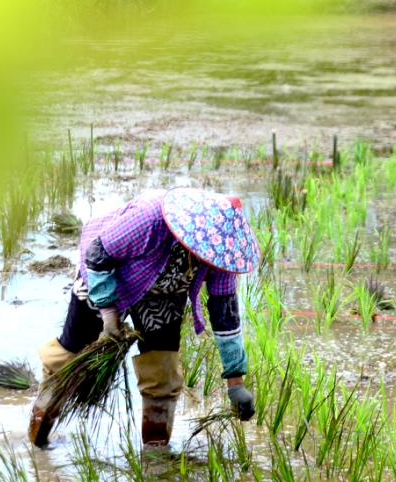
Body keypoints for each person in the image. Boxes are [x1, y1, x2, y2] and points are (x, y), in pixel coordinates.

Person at [29, 187, 259, 448]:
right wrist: (109, 320)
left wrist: (235, 383)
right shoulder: (151, 217)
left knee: (163, 373)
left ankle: (156, 456)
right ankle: (38, 438)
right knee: (68, 359)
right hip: (108, 276)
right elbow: (97, 255)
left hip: (164, 293)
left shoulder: (222, 252)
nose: (204, 257)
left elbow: (225, 314)